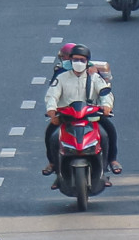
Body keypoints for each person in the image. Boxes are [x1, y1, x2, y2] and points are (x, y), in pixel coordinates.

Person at [43, 42, 119, 177]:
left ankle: (110, 161)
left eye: (82, 60)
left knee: (108, 134)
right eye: (75, 60)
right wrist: (51, 110)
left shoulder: (94, 77)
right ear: (70, 61)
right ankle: (54, 165)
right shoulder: (61, 77)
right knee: (52, 137)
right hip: (66, 117)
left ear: (87, 62)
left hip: (91, 116)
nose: (79, 62)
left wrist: (107, 106)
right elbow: (52, 95)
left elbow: (105, 93)